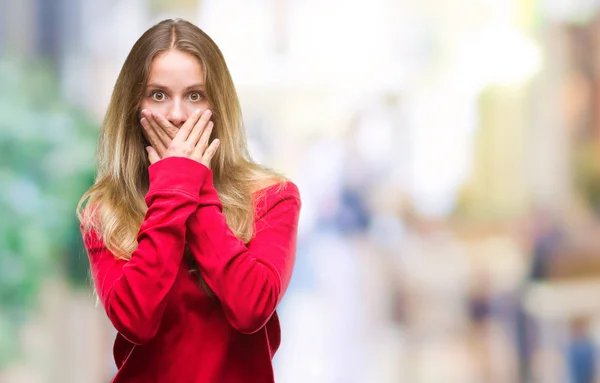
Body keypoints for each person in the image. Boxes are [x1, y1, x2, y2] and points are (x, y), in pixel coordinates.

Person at [77, 18, 301, 383]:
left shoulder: (272, 198)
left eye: (195, 95)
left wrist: (191, 186)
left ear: (219, 104)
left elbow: (251, 309)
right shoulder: (105, 210)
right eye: (159, 95)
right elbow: (136, 321)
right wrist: (173, 190)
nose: (178, 114)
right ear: (134, 105)